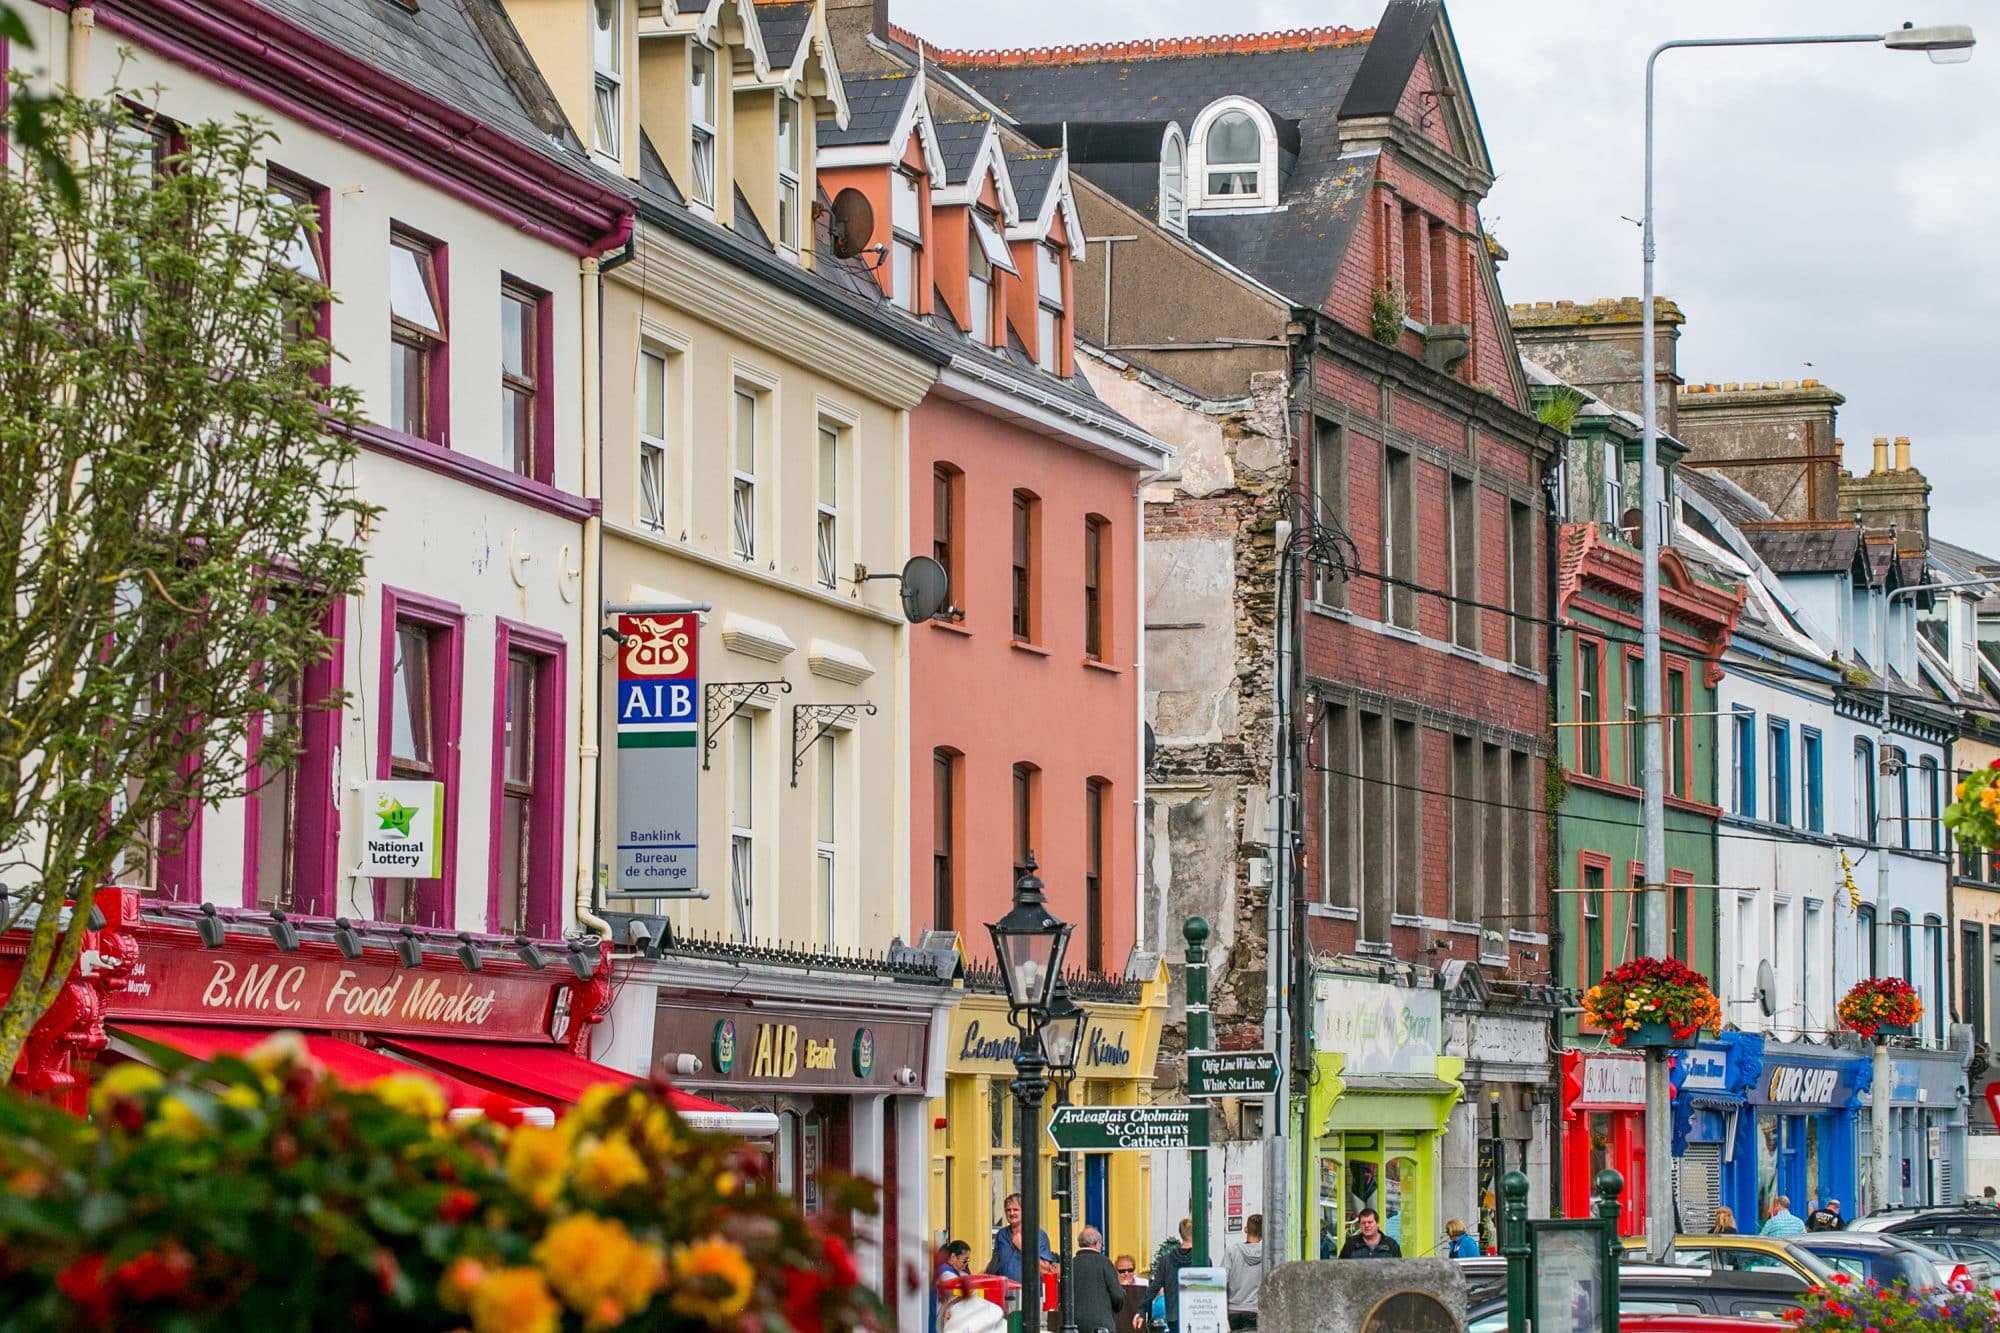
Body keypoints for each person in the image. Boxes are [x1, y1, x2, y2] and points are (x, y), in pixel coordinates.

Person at [986, 1193, 1058, 1285]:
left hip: (1029, 1294)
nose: (1011, 1213)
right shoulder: (1001, 1234)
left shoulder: (1039, 1235)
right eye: (1008, 1210)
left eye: (1015, 1210)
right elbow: (995, 1264)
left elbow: (1045, 1271)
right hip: (1004, 1293)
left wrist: (1023, 1247)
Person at [1070, 1226, 1127, 1333]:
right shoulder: (1104, 1262)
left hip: (1074, 1324)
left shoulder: (1071, 1264)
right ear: (1097, 1243)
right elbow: (1117, 1295)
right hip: (1101, 1325)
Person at [1144, 1218, 1195, 1333]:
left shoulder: (1166, 1260)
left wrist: (1141, 1310)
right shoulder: (1202, 1259)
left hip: (1173, 1313)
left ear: (1181, 1233)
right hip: (1195, 1312)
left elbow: (1154, 1287)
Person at [1223, 1213, 1263, 1330]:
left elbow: (1222, 1280)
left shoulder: (1232, 1251)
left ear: (1246, 1229)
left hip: (1234, 1310)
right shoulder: (1267, 1254)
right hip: (1256, 1310)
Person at [933, 1241, 973, 1333]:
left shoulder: (952, 1271)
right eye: (965, 1260)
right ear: (953, 1257)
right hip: (941, 1321)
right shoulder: (946, 1273)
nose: (967, 1263)